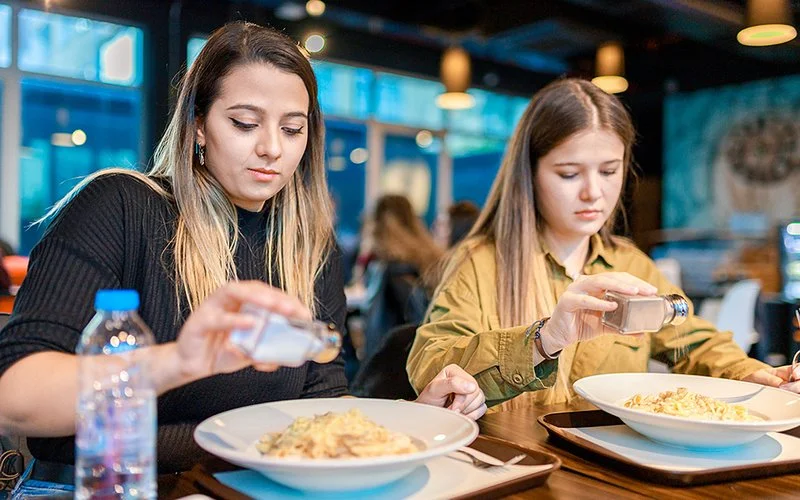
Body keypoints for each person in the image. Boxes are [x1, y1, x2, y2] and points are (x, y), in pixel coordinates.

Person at [0, 22, 486, 495]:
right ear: (199, 126)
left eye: (292, 129)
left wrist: (410, 426)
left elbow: (321, 403)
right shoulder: (121, 206)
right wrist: (180, 361)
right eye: (244, 123)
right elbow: (15, 400)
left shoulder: (306, 244)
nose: (271, 148)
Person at [407, 78, 799, 411]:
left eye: (610, 170)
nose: (593, 192)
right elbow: (429, 365)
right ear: (530, 174)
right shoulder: (481, 262)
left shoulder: (630, 264)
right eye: (569, 173)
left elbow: (690, 341)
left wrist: (751, 374)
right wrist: (544, 341)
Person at [361, 194, 442, 358]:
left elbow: (376, 335)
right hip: (423, 361)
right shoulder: (430, 261)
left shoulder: (390, 270)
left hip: (390, 366)